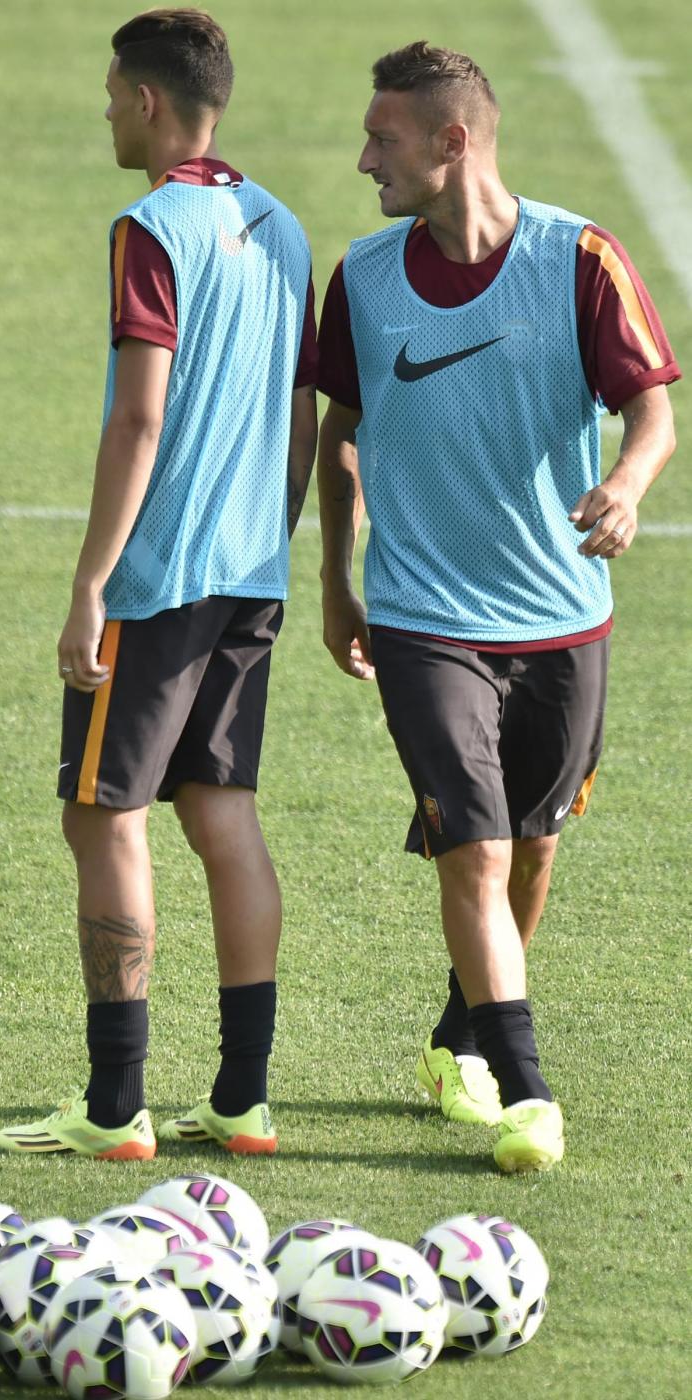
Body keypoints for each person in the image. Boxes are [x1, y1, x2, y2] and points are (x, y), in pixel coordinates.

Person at [317, 41, 679, 1172]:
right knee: (472, 852)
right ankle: (528, 1092)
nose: (363, 159)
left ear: (452, 140)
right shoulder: (364, 278)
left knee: (531, 853)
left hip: (562, 616)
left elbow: (652, 410)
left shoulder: (579, 259)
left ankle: (457, 1041)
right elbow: (339, 435)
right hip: (424, 616)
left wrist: (627, 484)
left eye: (382, 138)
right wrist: (335, 580)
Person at [0, 8, 317, 1160]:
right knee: (224, 814)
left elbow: (140, 417)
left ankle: (114, 1103)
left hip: (157, 578)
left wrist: (92, 582)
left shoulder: (148, 228)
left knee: (102, 814)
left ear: (146, 100)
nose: (105, 114)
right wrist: (270, 535)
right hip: (250, 570)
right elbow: (299, 407)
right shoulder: (283, 224)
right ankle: (243, 1097)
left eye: (110, 95)